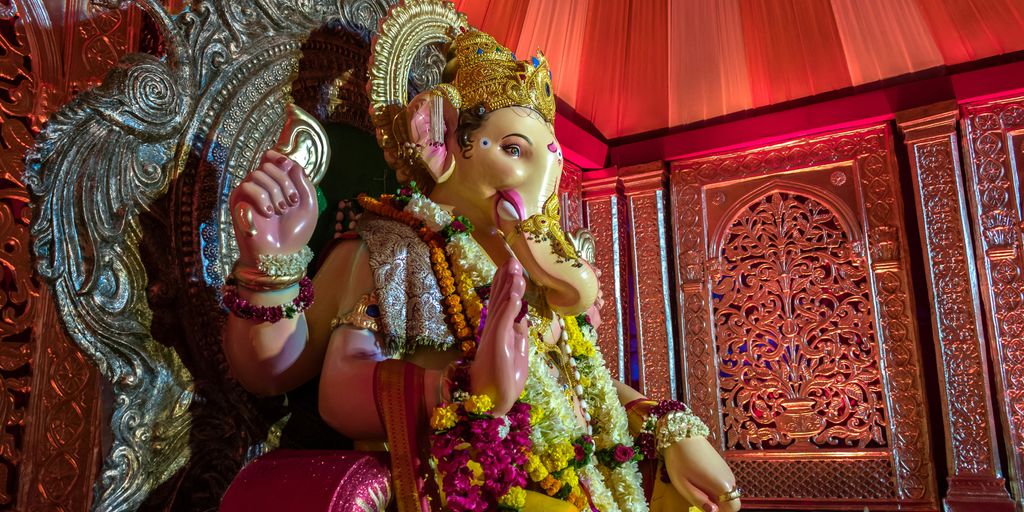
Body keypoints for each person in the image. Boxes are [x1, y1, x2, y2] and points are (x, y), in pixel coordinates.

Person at [220, 15, 739, 512]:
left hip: (574, 482)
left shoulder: (532, 273)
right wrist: (464, 388)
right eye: (514, 149)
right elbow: (327, 386)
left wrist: (670, 428)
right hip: (458, 483)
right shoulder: (395, 250)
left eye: (549, 163)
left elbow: (579, 390)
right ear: (440, 141)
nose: (539, 186)